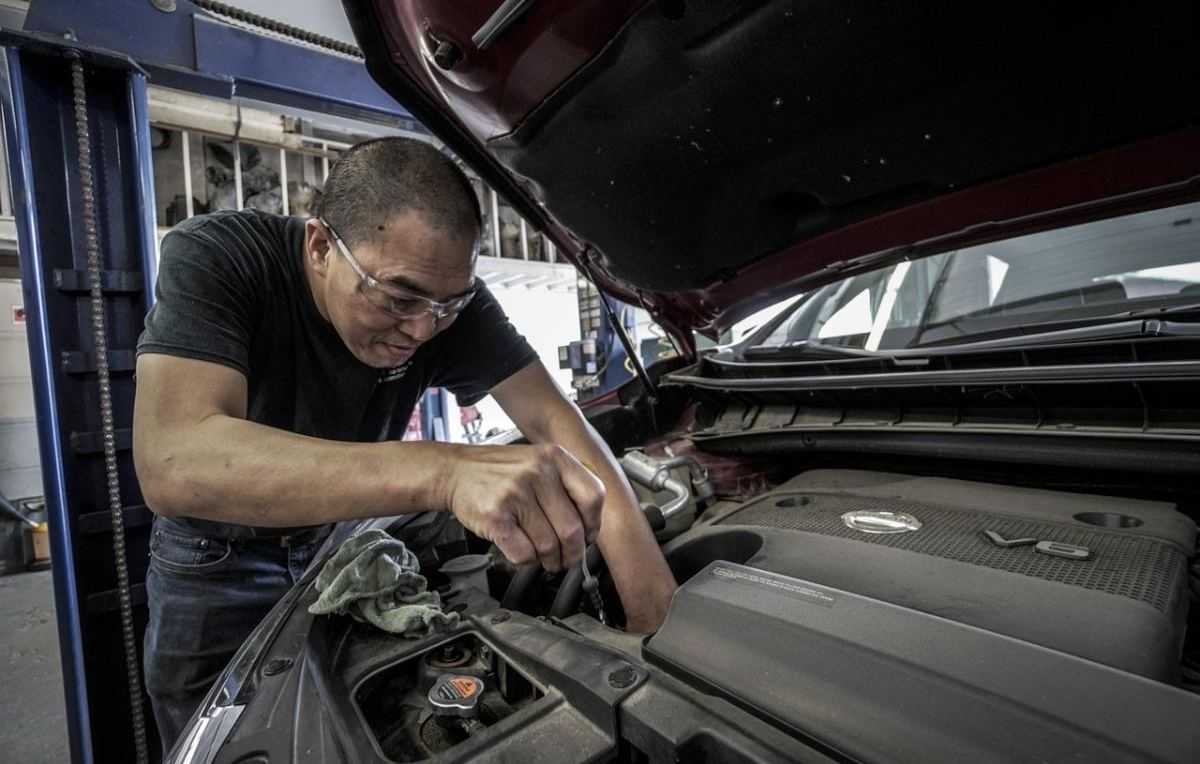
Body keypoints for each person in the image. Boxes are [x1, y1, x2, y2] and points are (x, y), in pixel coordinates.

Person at [133, 137, 677, 752]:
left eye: (449, 305)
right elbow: (175, 460)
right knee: (219, 742)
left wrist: (653, 615)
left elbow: (558, 423)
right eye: (398, 298)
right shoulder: (222, 256)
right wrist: (446, 472)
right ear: (319, 246)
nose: (422, 329)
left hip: (339, 542)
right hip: (215, 560)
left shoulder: (444, 303)